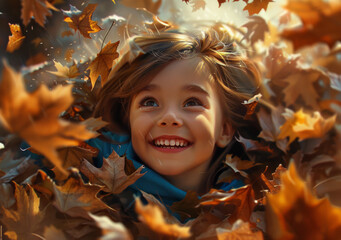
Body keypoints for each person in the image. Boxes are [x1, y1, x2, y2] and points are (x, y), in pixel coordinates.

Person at [88, 25, 261, 221]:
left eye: (192, 102)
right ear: (129, 119)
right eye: (150, 102)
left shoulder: (256, 210)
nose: (169, 117)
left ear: (225, 130)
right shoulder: (84, 182)